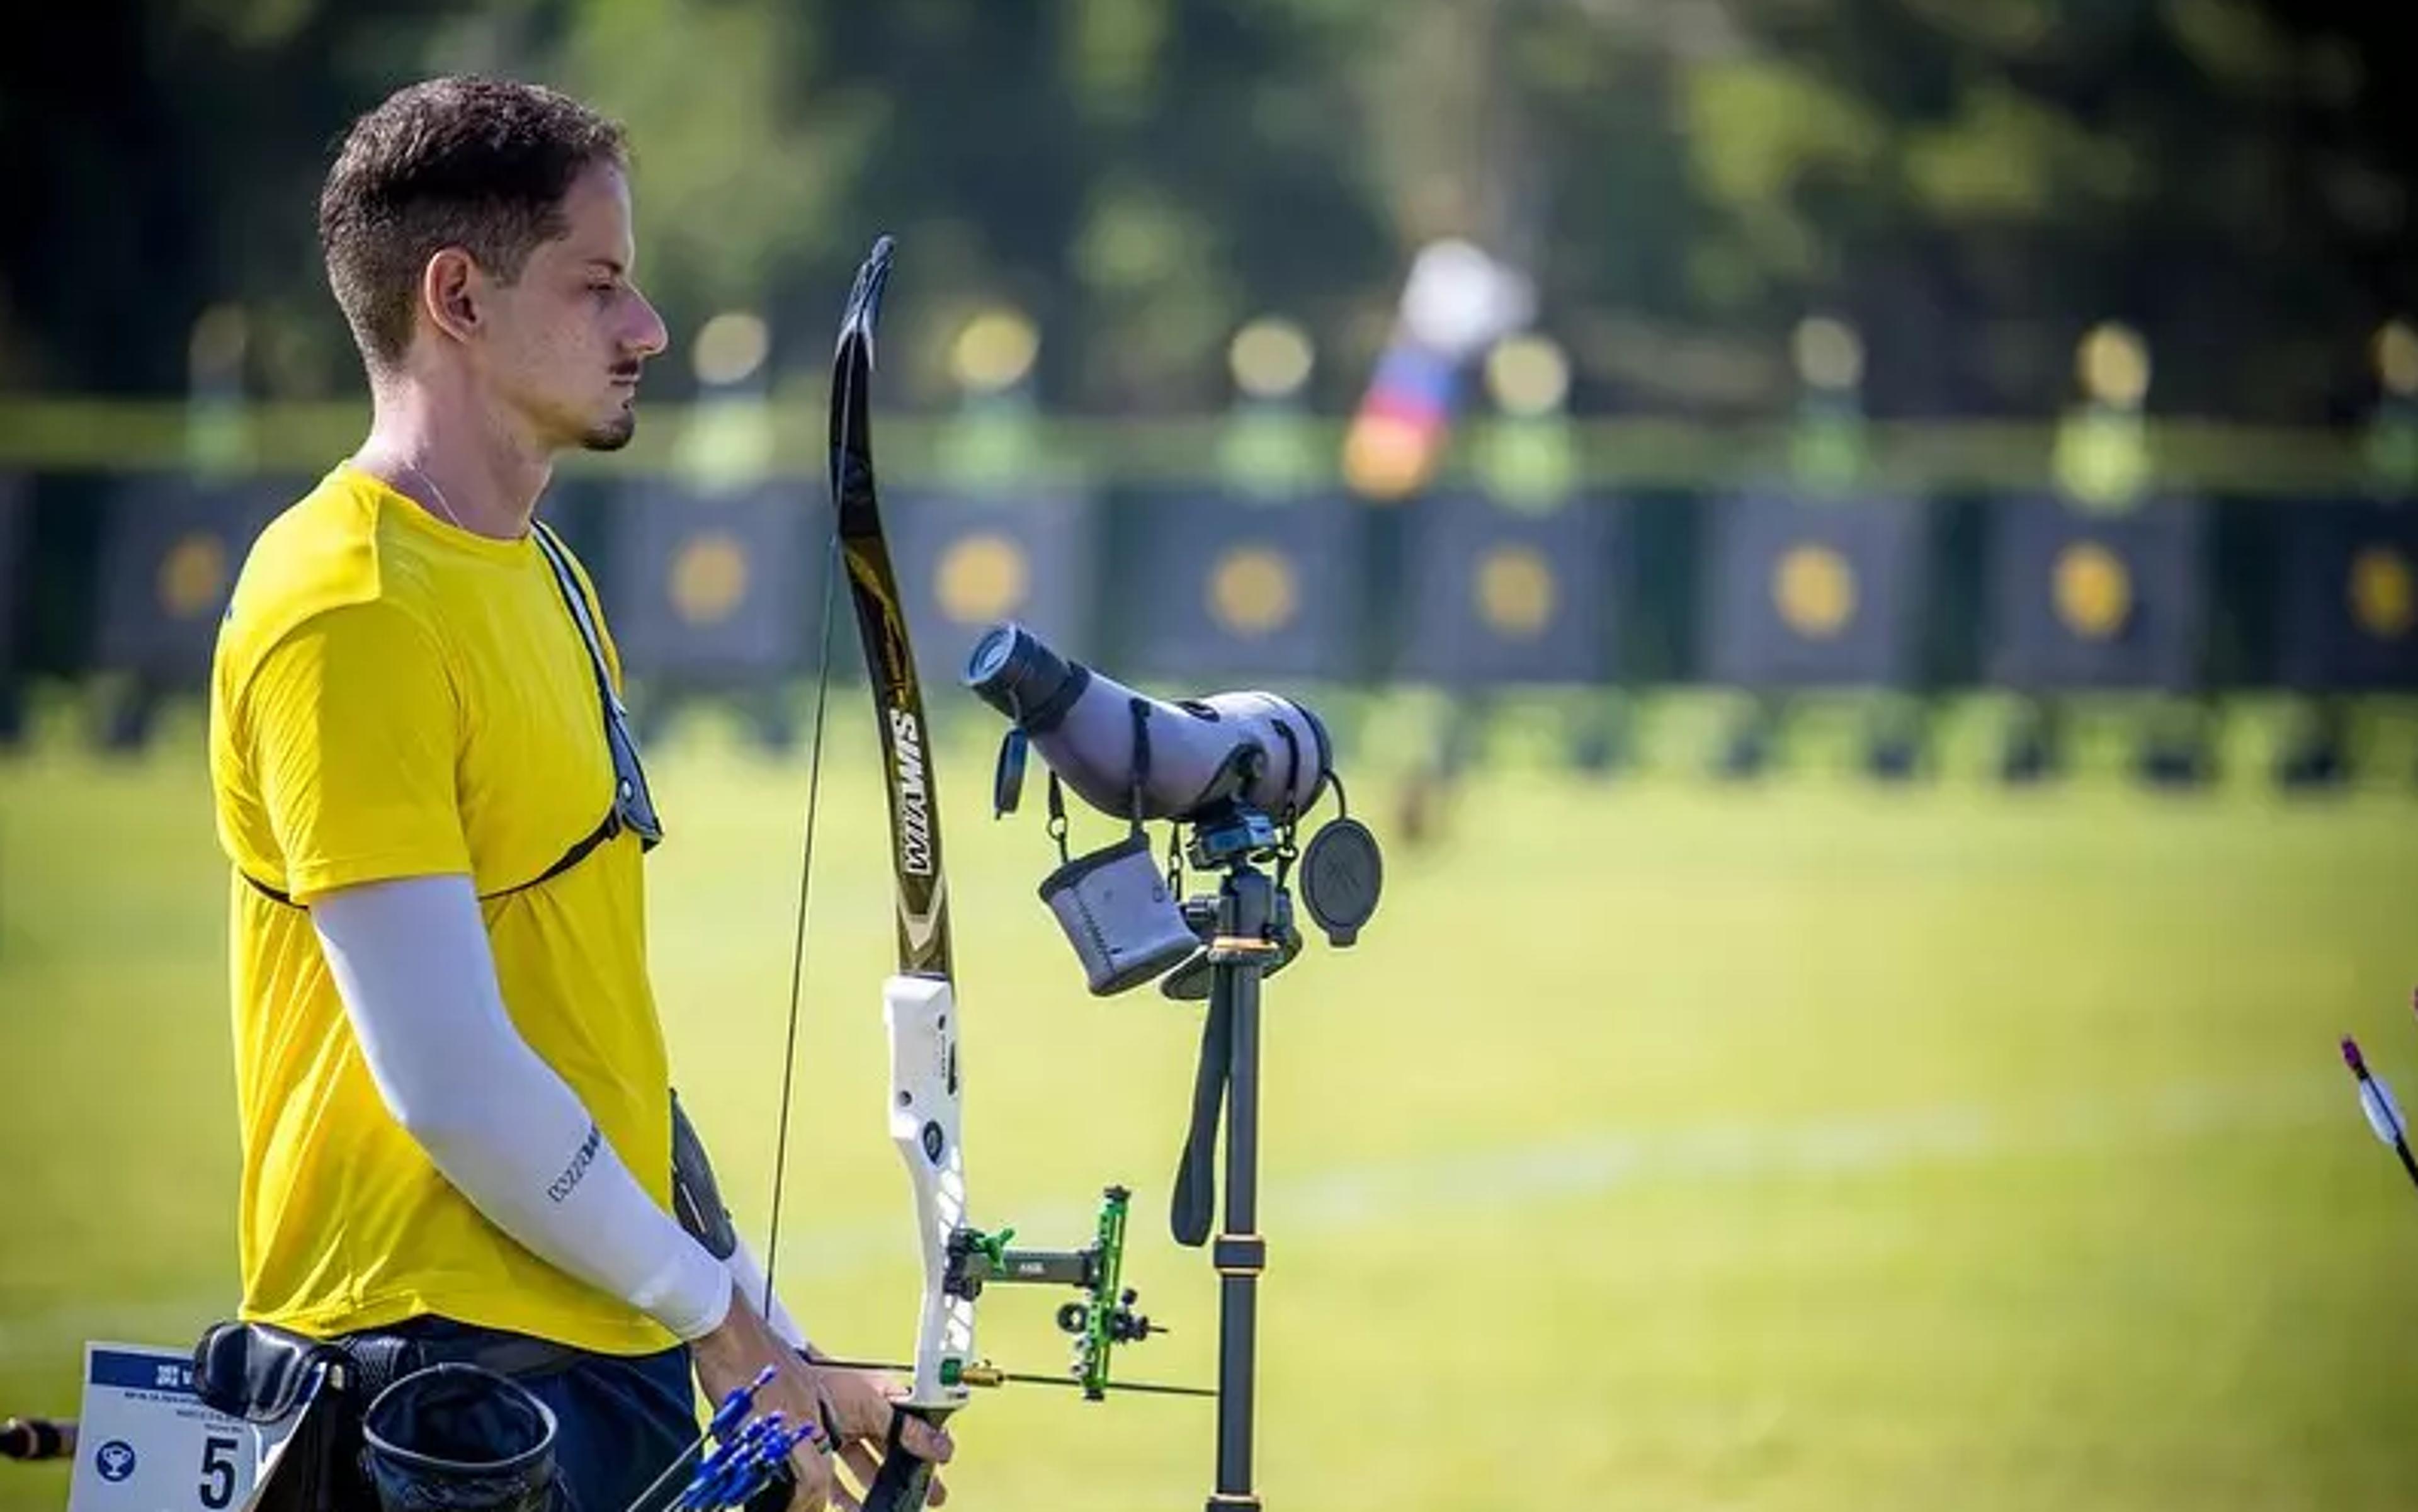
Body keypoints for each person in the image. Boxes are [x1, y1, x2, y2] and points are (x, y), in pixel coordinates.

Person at [205, 75, 950, 1511]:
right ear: (458, 299)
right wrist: (717, 1323)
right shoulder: (347, 605)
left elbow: (590, 1036)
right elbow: (457, 1083)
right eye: (600, 282)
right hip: (431, 1393)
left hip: (595, 1351)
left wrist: (773, 1334)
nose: (648, 326)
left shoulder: (548, 576)